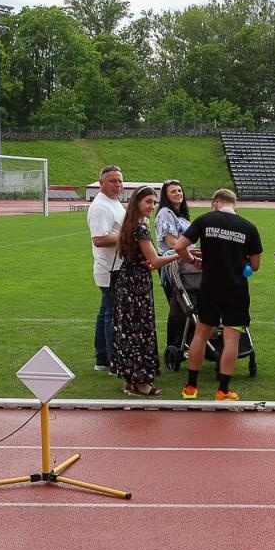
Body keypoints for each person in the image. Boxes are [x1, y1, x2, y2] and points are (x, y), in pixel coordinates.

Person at [173, 188, 262, 402]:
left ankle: (191, 388)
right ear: (234, 205)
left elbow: (179, 246)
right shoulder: (248, 227)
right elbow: (255, 265)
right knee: (231, 339)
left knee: (201, 335)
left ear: (215, 203)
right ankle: (223, 391)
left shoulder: (205, 220)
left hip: (209, 286)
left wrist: (192, 260)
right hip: (236, 289)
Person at [111, 186, 176, 396]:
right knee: (139, 330)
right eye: (148, 201)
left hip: (128, 279)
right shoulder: (140, 227)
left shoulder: (131, 224)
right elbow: (155, 261)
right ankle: (140, 381)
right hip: (136, 283)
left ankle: (130, 380)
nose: (152, 206)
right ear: (137, 202)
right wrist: (180, 254)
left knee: (129, 330)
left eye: (154, 202)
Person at [87, 165, 126, 373]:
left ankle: (102, 358)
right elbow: (100, 239)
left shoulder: (114, 203)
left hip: (114, 267)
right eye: (112, 181)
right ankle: (114, 361)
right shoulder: (101, 207)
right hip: (110, 269)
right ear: (101, 183)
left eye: (119, 180)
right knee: (112, 314)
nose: (117, 184)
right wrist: (129, 235)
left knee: (105, 313)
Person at [155, 180, 194, 362]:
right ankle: (174, 345)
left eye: (179, 190)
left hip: (184, 263)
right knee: (178, 305)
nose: (178, 193)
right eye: (173, 191)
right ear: (166, 195)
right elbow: (171, 242)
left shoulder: (180, 215)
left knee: (186, 304)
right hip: (172, 264)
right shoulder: (165, 213)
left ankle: (186, 343)